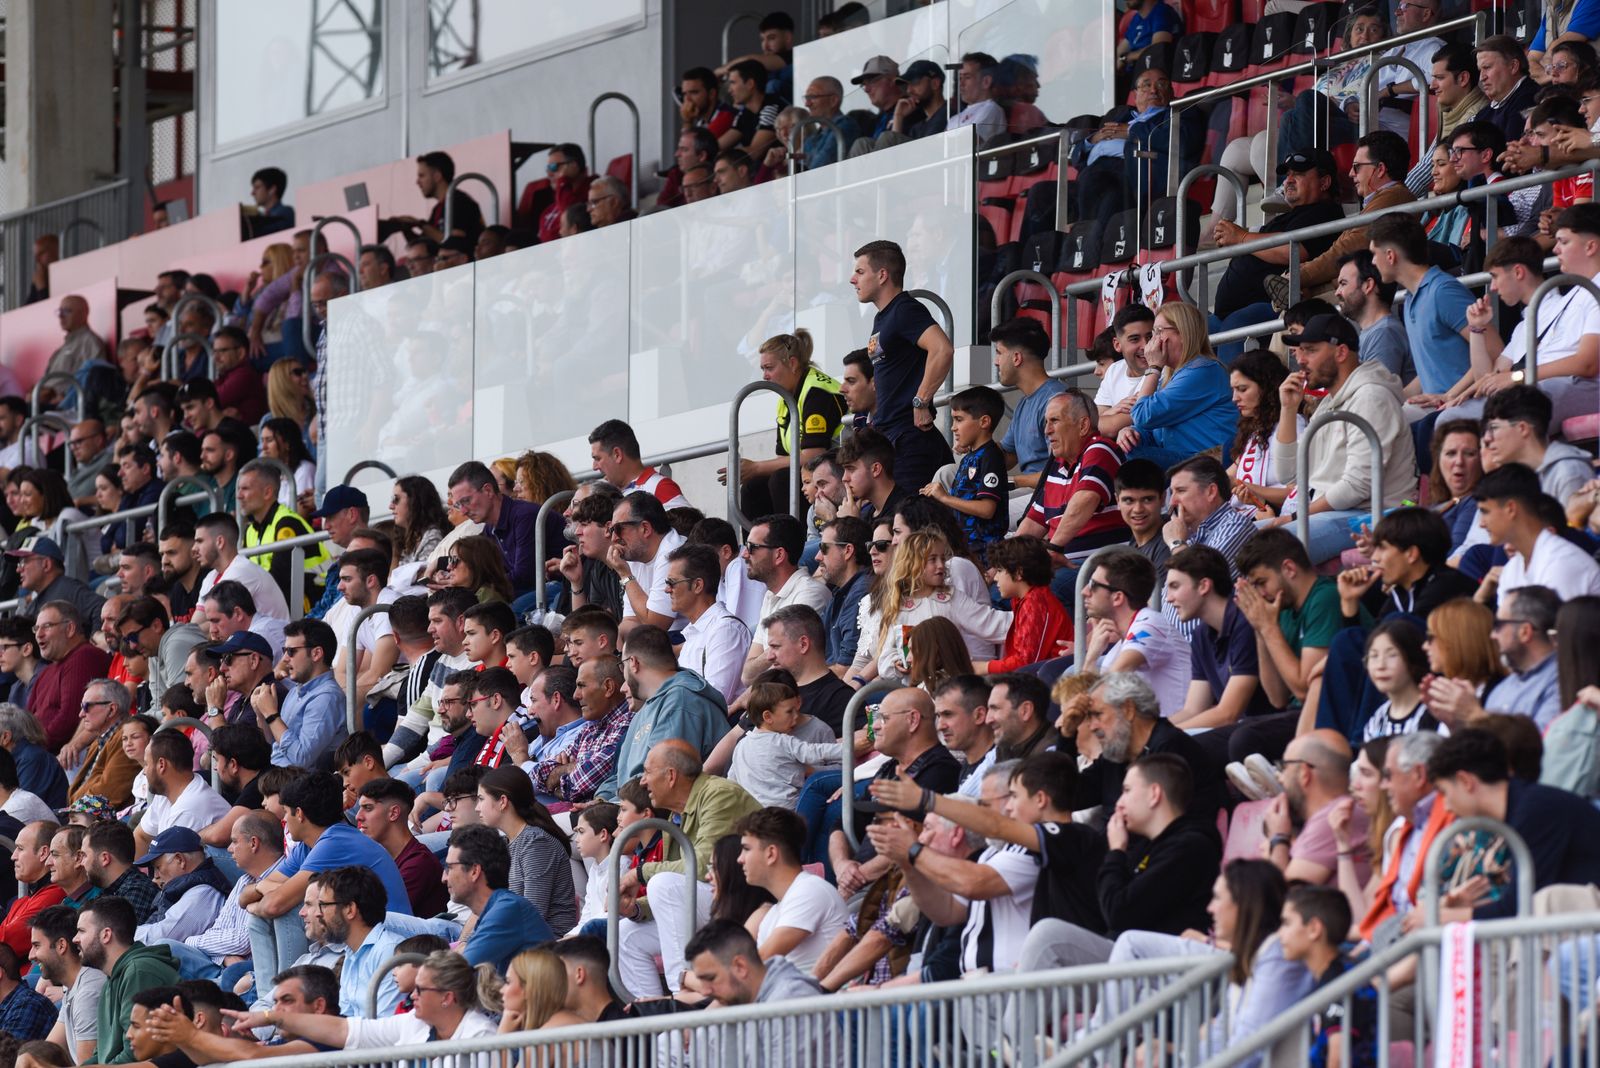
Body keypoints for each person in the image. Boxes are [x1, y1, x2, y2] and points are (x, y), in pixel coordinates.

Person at [1015, 754, 1222, 967]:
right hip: (1129, 961)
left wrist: (1116, 852)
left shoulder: (1190, 847)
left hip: (1162, 969)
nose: (1119, 803)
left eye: (1127, 791)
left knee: (1048, 936)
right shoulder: (1146, 847)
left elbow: (1118, 913)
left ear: (1154, 794)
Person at [616, 740, 761, 997]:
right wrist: (637, 909)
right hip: (713, 905)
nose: (642, 782)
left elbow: (702, 864)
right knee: (625, 936)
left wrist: (639, 873)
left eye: (648, 772)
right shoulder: (676, 815)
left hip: (746, 905)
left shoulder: (719, 793)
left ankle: (682, 994)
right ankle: (658, 1021)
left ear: (671, 776)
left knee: (662, 883)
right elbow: (678, 892)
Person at [1272, 313, 1418, 564]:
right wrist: (1287, 409)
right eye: (1298, 351)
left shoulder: (1371, 396)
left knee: (1270, 552)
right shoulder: (1330, 401)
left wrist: (1296, 518)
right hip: (1336, 512)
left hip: (1371, 514)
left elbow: (1358, 486)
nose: (1300, 360)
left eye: (1310, 350)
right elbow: (1289, 475)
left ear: (1340, 353)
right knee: (1247, 545)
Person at [1429, 728, 1600, 916]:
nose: (1445, 806)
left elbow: (1517, 909)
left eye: (1444, 792)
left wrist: (1439, 918)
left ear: (1465, 781)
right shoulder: (1522, 808)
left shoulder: (1537, 811)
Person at [850, 239, 955, 494]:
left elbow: (942, 349)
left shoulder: (905, 310)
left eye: (860, 272)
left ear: (882, 275)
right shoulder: (883, 317)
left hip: (910, 436)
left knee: (907, 520)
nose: (853, 279)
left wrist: (921, 401)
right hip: (891, 436)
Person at [228, 948, 496, 1047]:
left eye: (420, 990)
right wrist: (268, 1017)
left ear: (447, 997)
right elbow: (344, 1028)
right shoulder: (416, 1023)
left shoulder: (481, 1035)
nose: (411, 995)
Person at [1209, 150, 1348, 331]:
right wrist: (1235, 237)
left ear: (1324, 183)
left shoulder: (1326, 213)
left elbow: (1291, 250)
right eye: (1288, 174)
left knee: (1236, 325)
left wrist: (1241, 237)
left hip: (1269, 309)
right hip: (1230, 313)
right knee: (1190, 331)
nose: (1289, 180)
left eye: (1299, 174)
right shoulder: (1294, 215)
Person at [1073, 68, 1203, 224]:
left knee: (1099, 188)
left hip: (1138, 172)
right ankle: (1086, 236)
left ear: (1171, 91)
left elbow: (1182, 142)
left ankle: (1083, 232)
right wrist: (1093, 139)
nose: (1154, 90)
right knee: (1042, 193)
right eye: (1146, 85)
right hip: (1099, 175)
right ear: (1135, 95)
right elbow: (1075, 157)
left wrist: (1132, 131)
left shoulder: (1180, 112)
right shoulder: (1123, 116)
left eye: (1161, 85)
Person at [1015, 391, 1128, 566]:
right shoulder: (1057, 464)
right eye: (1046, 422)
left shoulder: (1100, 448)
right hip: (1066, 564)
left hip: (1101, 565)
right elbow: (1032, 524)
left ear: (1083, 425)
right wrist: (1000, 567)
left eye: (1055, 421)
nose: (1046, 430)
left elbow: (1086, 499)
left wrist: (1054, 549)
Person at [1078, 548, 1190, 716]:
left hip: (1181, 732)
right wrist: (1091, 658)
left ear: (1117, 597)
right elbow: (1091, 701)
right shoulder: (1120, 646)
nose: (1084, 591)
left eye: (1093, 585)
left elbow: (1107, 687)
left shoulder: (1150, 624)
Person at [615, 625, 730, 787]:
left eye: (623, 665)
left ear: (633, 663)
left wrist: (614, 809)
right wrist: (601, 800)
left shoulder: (681, 701)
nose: (623, 677)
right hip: (631, 804)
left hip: (658, 809)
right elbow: (618, 778)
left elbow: (663, 782)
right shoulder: (647, 707)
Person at [735, 807, 847, 972]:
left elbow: (748, 971)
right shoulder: (777, 910)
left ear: (771, 854)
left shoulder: (809, 891)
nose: (740, 859)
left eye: (746, 849)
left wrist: (685, 978)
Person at [74, 896, 179, 1064]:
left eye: (81, 931)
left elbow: (135, 1052)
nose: (75, 939)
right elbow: (100, 1056)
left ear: (106, 935)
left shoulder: (140, 972)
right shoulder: (112, 978)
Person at [473, 766, 576, 934]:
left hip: (546, 943)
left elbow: (532, 914)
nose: (477, 808)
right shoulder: (507, 843)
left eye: (481, 799)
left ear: (503, 802)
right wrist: (467, 942)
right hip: (515, 938)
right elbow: (490, 907)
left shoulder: (536, 843)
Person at [1476, 464, 1600, 601]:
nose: (1481, 524)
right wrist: (1480, 600)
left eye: (1485, 511)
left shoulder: (1562, 563)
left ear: (1511, 509)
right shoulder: (1513, 568)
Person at [443, 826, 554, 970]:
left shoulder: (508, 910)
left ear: (474, 871)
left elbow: (456, 973)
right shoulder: (495, 909)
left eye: (450, 867)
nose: (444, 878)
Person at [724, 672, 841, 808]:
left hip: (798, 807)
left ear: (798, 701)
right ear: (767, 716)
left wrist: (810, 771)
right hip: (758, 815)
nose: (794, 716)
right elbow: (733, 782)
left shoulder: (819, 729)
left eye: (792, 709)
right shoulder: (748, 742)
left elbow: (839, 768)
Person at [740, 514, 830, 685]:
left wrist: (771, 653)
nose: (745, 554)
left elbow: (788, 667)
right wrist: (778, 648)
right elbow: (747, 675)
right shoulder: (770, 595)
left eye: (752, 547)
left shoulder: (810, 594)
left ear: (779, 555)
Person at [922, 386, 1008, 561]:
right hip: (965, 550)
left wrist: (945, 498)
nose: (953, 428)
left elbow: (987, 509)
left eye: (959, 420)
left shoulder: (991, 456)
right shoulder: (971, 456)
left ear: (984, 422)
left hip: (985, 554)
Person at [445, 460, 549, 602]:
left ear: (488, 490)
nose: (463, 511)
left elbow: (524, 576)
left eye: (466, 501)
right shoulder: (489, 528)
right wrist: (444, 573)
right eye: (458, 505)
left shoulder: (524, 516)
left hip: (553, 591)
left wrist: (477, 584)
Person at [252, 618, 344, 772]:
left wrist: (272, 715)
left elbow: (301, 759)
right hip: (278, 776)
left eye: (291, 651)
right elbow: (273, 744)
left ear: (316, 653)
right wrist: (261, 714)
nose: (285, 658)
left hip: (302, 786)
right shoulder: (296, 691)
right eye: (284, 651)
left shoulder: (327, 697)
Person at [354, 778, 447, 918]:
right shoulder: (384, 859)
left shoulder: (418, 864)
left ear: (393, 813)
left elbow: (372, 920)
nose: (358, 816)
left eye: (368, 808)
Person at [28, 601, 113, 753]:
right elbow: (26, 721)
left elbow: (69, 719)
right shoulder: (46, 672)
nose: (39, 634)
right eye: (36, 628)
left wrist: (32, 749)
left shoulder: (84, 656)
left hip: (65, 758)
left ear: (70, 628)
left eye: (46, 626)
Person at [133, 729, 230, 856]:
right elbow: (141, 837)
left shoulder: (188, 809)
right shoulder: (165, 794)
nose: (144, 772)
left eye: (146, 764)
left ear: (161, 765)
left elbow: (171, 869)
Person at [29, 904, 104, 1063]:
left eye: (37, 946)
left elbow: (87, 1065)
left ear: (61, 945)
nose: (31, 956)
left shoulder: (88, 991)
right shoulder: (72, 987)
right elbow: (44, 1054)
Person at [608, 491, 686, 635]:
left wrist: (625, 574)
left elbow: (655, 626)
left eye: (618, 529)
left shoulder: (673, 553)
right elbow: (630, 620)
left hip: (683, 638)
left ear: (645, 528)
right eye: (611, 530)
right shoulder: (635, 554)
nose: (613, 538)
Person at [193, 513, 288, 622]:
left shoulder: (242, 571)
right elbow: (196, 624)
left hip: (270, 638)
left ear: (220, 542)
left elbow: (219, 625)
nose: (194, 549)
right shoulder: (211, 577)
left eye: (199, 541)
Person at [588, 418, 689, 508]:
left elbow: (686, 525)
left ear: (617, 455)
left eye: (597, 458)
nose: (594, 467)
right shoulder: (605, 493)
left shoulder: (658, 486)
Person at [11, 540, 103, 627]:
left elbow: (101, 608)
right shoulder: (32, 606)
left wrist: (95, 637)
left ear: (46, 564)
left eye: (23, 563)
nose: (18, 570)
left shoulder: (68, 589)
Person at [1473, 34, 1539, 141]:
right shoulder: (1483, 114)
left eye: (1487, 67)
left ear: (1513, 66)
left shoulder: (1530, 99)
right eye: (1480, 70)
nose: (1482, 77)